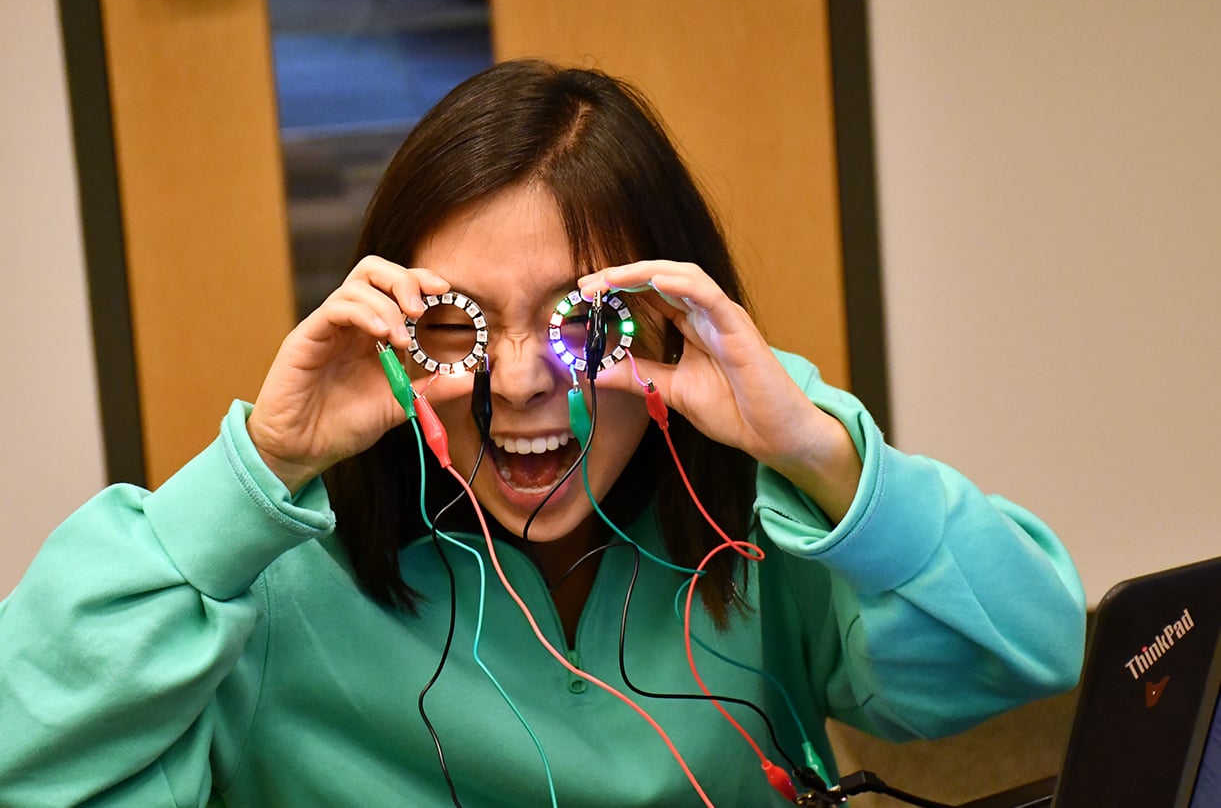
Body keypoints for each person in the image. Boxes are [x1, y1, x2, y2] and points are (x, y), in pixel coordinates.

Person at [0, 59, 1086, 807]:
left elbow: (1028, 656)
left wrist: (817, 451)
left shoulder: (745, 528)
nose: (520, 381)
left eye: (586, 319)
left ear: (666, 320)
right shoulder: (271, 579)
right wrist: (256, 476)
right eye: (454, 323)